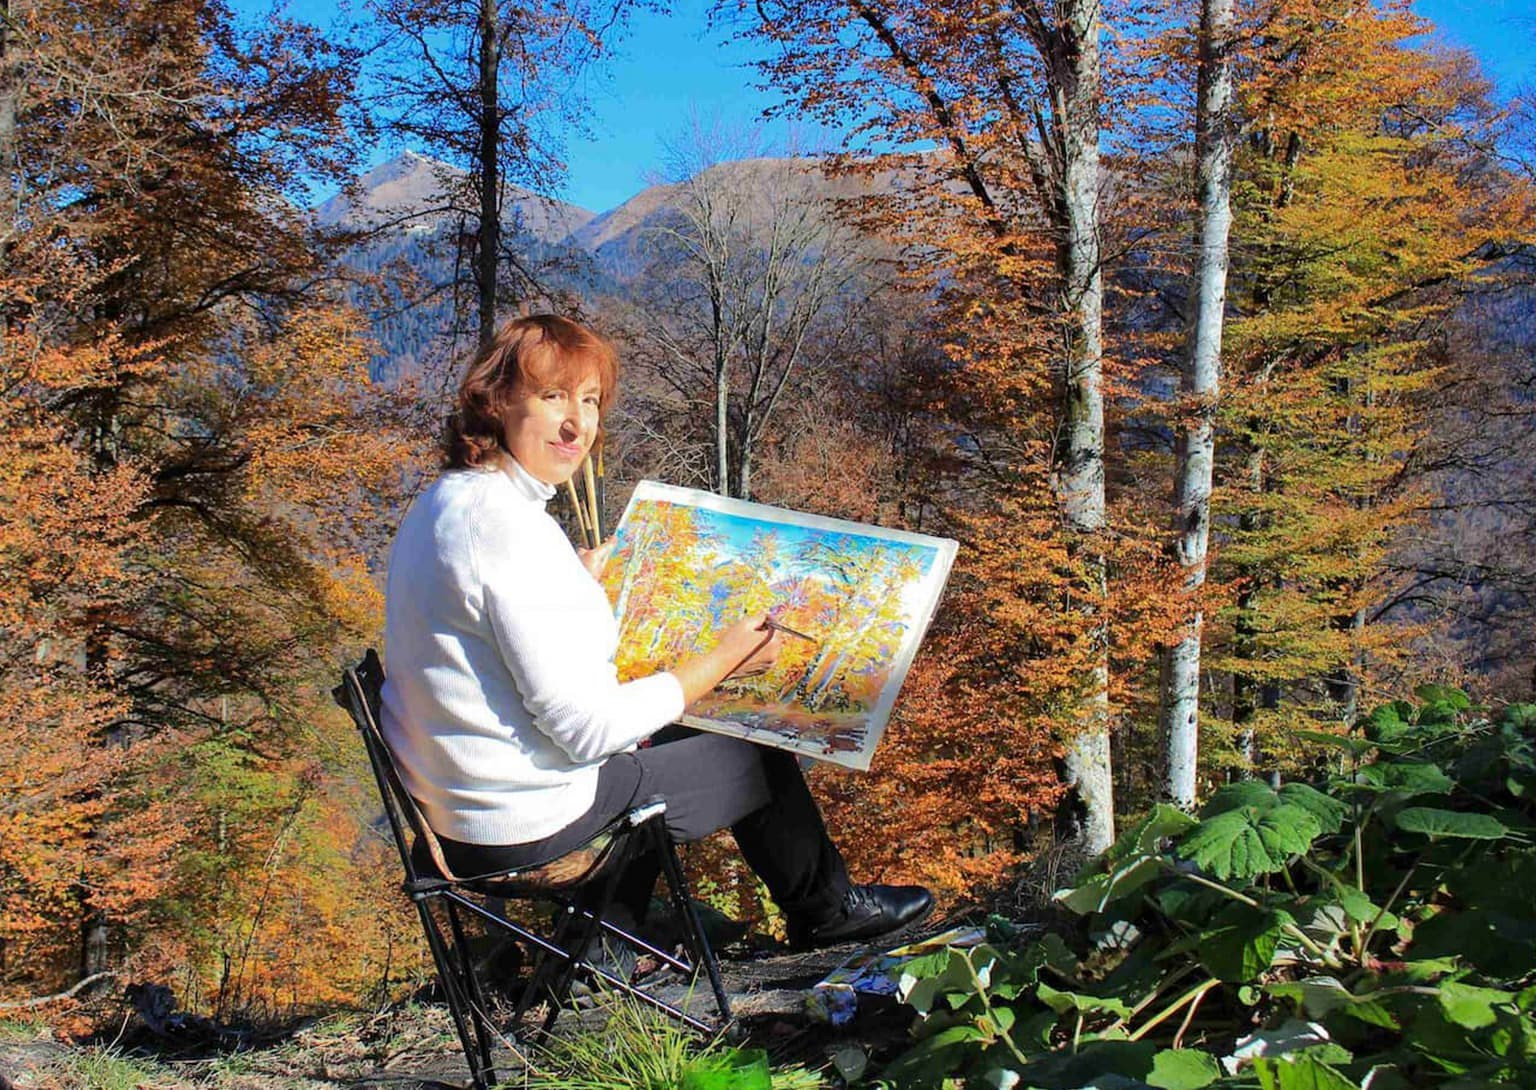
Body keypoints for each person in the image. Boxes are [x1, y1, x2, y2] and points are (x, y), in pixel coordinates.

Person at [379, 315, 932, 951]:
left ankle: (607, 943)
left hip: (461, 813)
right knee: (753, 748)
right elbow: (589, 733)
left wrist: (575, 583)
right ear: (498, 400)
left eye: (590, 401)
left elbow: (499, 627)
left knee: (674, 730)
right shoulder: (508, 530)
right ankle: (827, 911)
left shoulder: (450, 501)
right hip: (526, 823)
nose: (577, 424)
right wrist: (721, 662)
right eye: (554, 396)